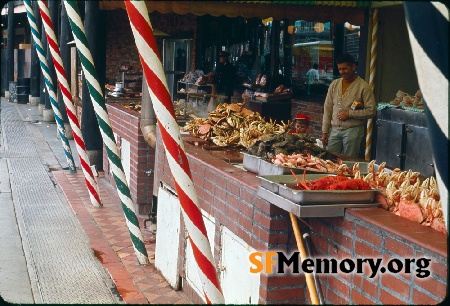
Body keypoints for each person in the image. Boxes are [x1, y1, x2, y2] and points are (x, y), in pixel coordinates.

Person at [321, 53, 377, 158]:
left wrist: (350, 113)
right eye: (340, 69)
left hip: (353, 130)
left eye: (345, 69)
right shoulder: (335, 84)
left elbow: (371, 111)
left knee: (349, 161)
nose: (342, 72)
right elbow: (327, 109)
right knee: (330, 159)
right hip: (334, 130)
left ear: (353, 67)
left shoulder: (363, 87)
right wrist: (325, 131)